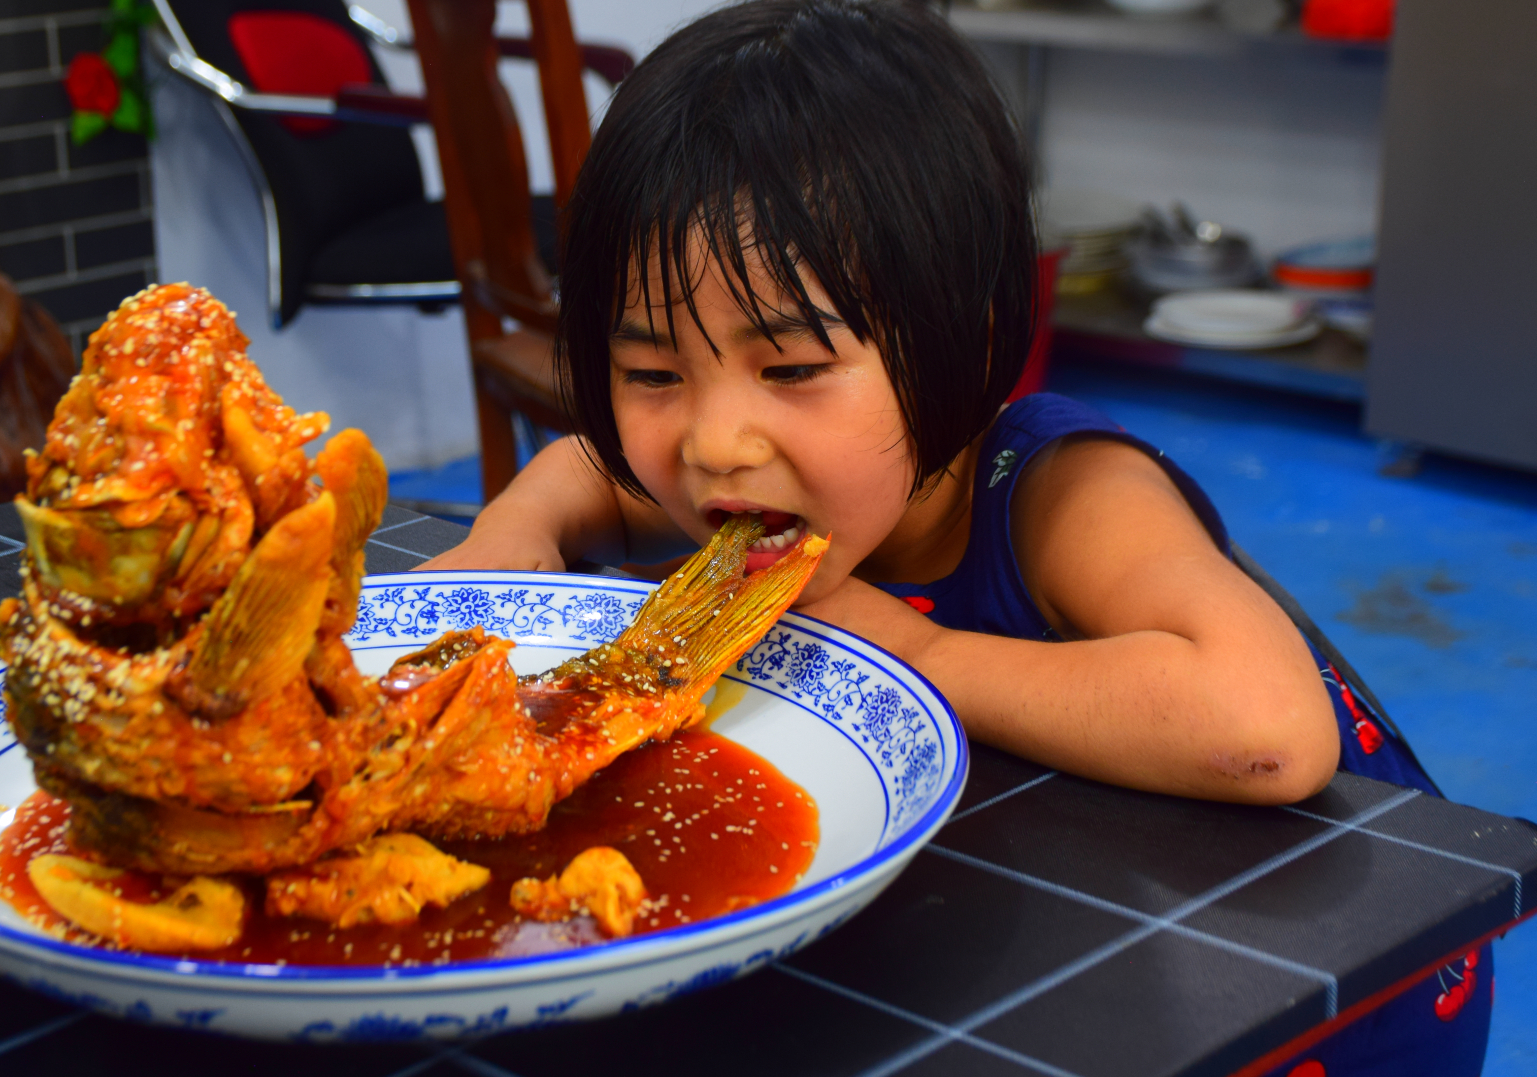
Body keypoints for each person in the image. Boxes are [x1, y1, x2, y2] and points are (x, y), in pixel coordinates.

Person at [419, 0, 1492, 1070]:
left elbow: (1267, 732)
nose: (714, 444)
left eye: (789, 368)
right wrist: (512, 530)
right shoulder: (778, 486)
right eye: (653, 372)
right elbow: (588, 471)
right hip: (1073, 909)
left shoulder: (1058, 493)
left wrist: (921, 652)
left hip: (1333, 980)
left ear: (960, 348)